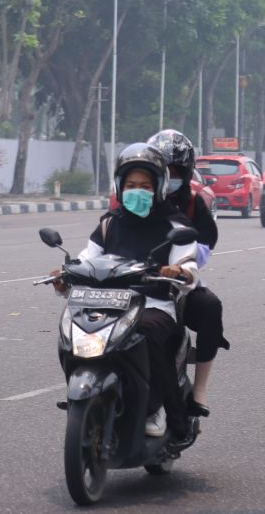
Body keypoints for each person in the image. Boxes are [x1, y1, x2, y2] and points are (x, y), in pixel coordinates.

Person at [50, 143, 198, 439]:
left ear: (159, 187)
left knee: (146, 336)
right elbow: (87, 259)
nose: (137, 191)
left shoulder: (174, 224)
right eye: (131, 185)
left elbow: (189, 267)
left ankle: (157, 408)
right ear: (120, 186)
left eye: (145, 185)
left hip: (154, 305)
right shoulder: (109, 224)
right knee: (70, 333)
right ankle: (86, 395)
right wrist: (64, 275)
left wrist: (178, 271)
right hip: (107, 303)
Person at [147, 129, 229, 418]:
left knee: (210, 307)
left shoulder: (194, 203)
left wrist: (182, 265)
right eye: (162, 170)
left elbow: (205, 244)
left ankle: (200, 389)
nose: (169, 176)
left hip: (176, 281)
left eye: (175, 171)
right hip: (132, 280)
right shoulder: (134, 199)